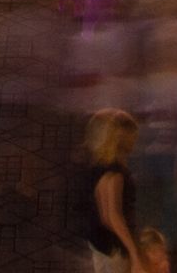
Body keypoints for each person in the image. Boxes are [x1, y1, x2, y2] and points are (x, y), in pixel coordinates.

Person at [73, 109, 139, 271]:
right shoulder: (114, 172)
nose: (135, 141)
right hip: (114, 248)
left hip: (100, 244)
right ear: (121, 137)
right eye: (132, 135)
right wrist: (134, 252)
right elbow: (112, 216)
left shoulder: (98, 168)